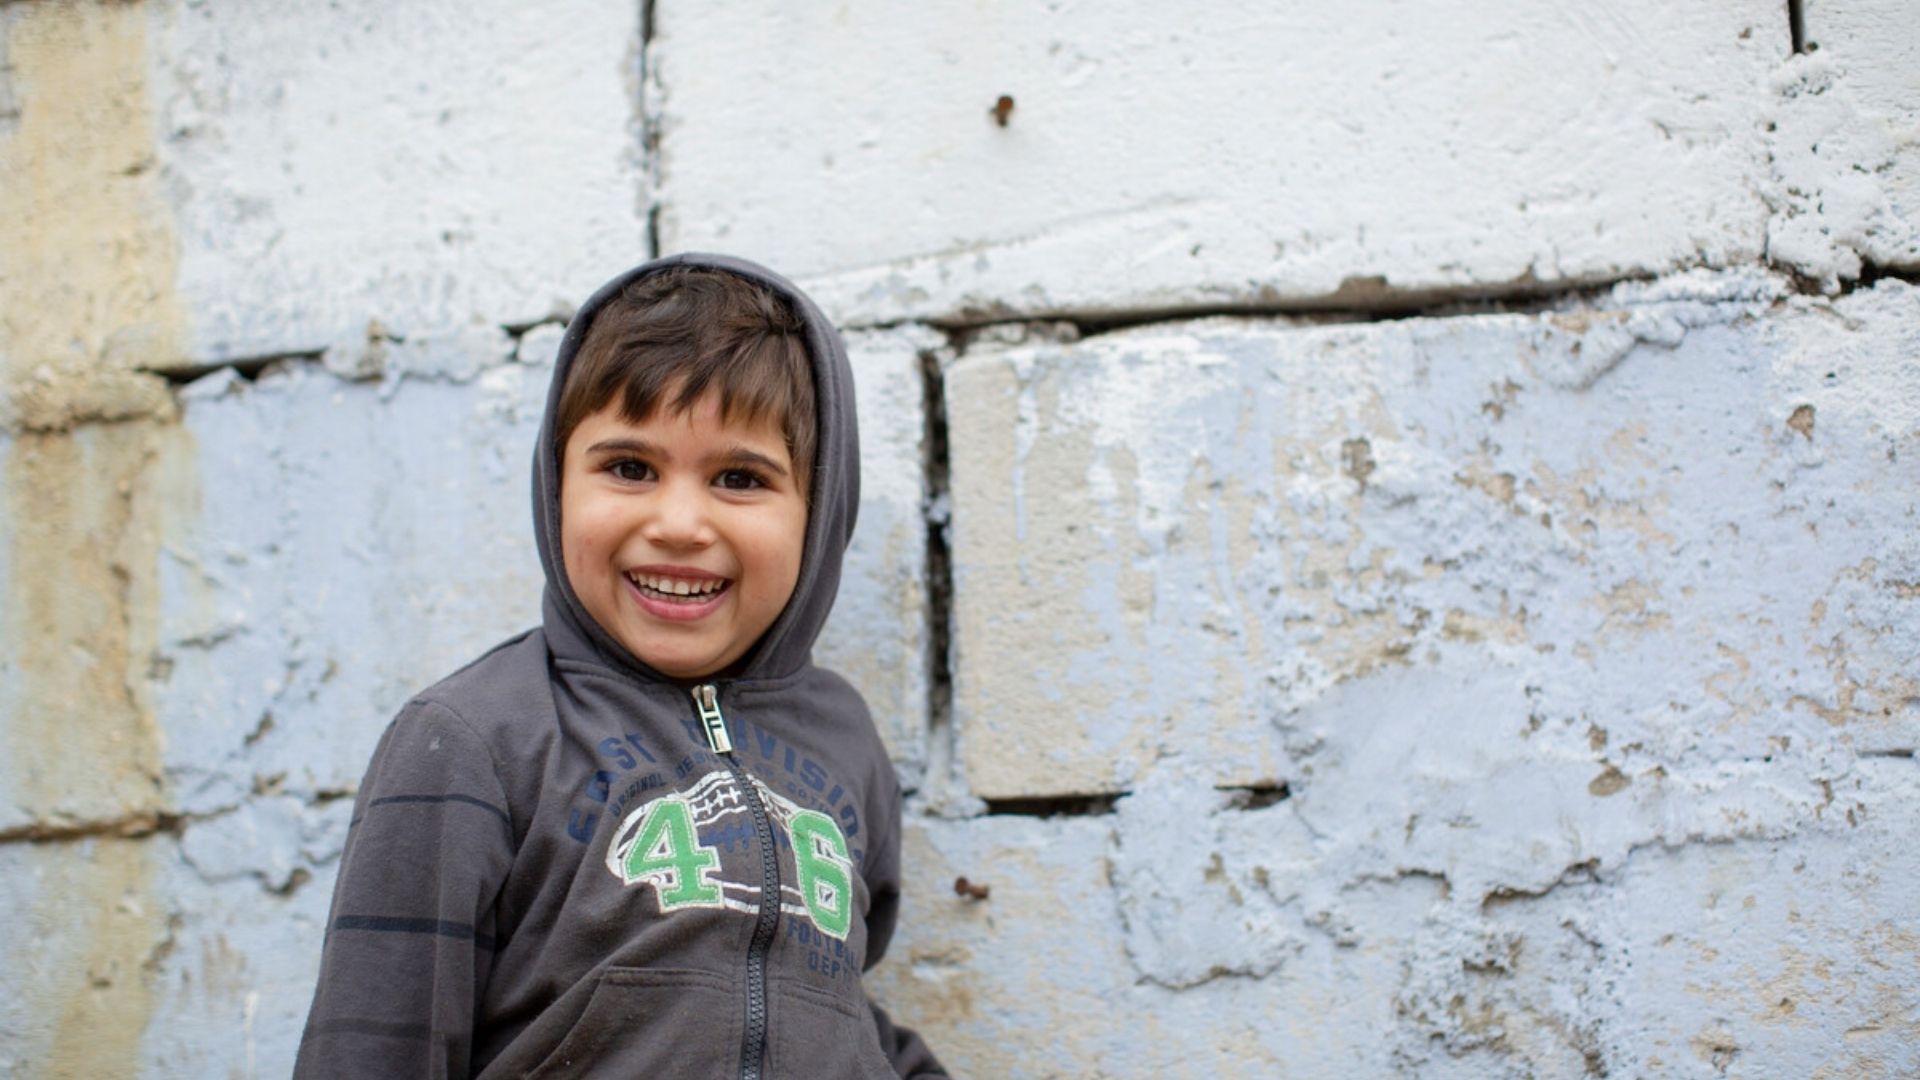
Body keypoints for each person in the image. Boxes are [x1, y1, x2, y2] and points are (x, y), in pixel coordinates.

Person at [294, 254, 947, 1079]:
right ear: (555, 483)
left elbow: (829, 1001)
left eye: (740, 478)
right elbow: (373, 1048)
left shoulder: (843, 741)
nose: (679, 523)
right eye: (630, 468)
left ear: (820, 515)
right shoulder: (472, 741)